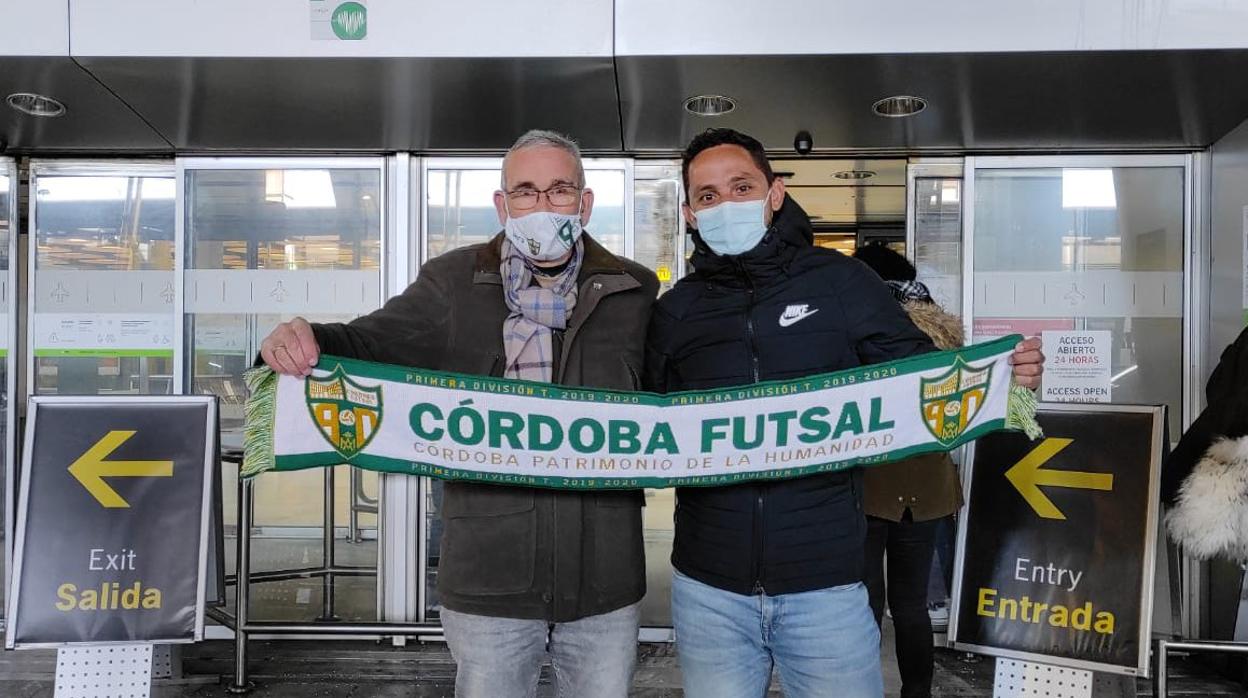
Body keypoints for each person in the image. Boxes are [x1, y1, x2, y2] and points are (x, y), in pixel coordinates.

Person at [643, 128, 1043, 698]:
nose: (725, 204)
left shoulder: (840, 283)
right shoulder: (676, 311)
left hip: (825, 585)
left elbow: (922, 377)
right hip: (710, 591)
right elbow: (639, 427)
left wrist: (1009, 382)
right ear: (688, 212)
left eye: (741, 187)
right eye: (707, 196)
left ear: (774, 194)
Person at [259, 130, 658, 698]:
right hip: (489, 573)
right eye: (525, 192)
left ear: (585, 203)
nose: (542, 206)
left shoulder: (634, 289)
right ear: (503, 205)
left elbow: (673, 398)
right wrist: (302, 337)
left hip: (604, 578)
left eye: (559, 190)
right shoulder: (452, 283)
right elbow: (369, 342)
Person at [854, 242, 963, 698]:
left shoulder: (868, 329)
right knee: (911, 604)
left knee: (865, 604)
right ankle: (917, 692)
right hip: (928, 487)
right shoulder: (945, 335)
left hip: (870, 486)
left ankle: (861, 689)